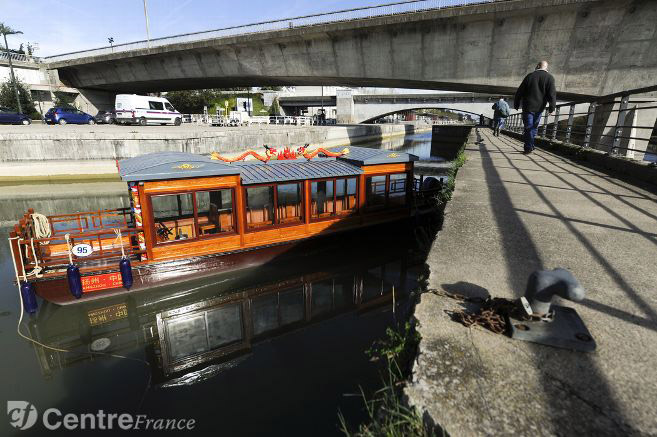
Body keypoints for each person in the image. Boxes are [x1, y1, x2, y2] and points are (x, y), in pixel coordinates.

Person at [514, 60, 557, 154]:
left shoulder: (530, 76)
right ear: (546, 68)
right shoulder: (550, 78)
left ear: (538, 66)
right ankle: (530, 146)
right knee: (533, 127)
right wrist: (552, 108)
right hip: (540, 108)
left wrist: (516, 103)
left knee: (528, 127)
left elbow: (520, 91)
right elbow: (552, 94)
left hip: (528, 107)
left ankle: (528, 147)